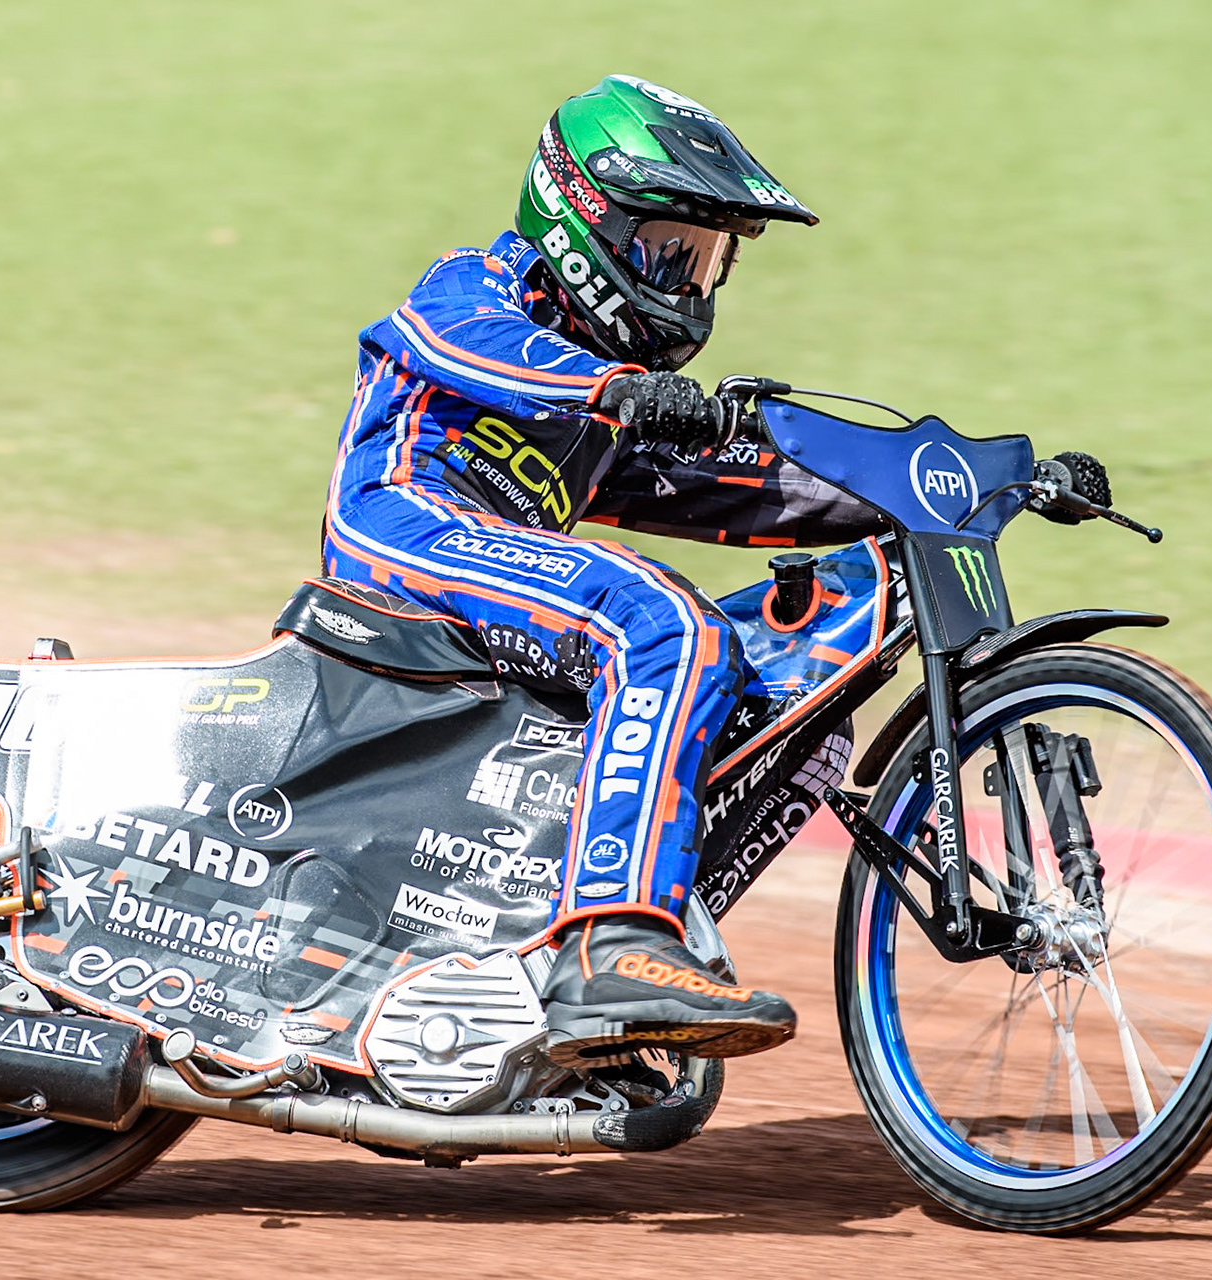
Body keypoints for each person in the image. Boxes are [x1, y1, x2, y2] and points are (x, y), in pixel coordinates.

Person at [323, 76, 880, 1066]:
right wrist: (621, 388)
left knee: (804, 692)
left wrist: (944, 485)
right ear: (588, 218)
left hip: (492, 580)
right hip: (401, 529)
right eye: (673, 251)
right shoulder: (478, 286)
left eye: (710, 263)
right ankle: (611, 941)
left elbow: (744, 488)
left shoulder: (604, 397)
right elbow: (477, 349)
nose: (692, 285)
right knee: (662, 623)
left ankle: (619, 981)